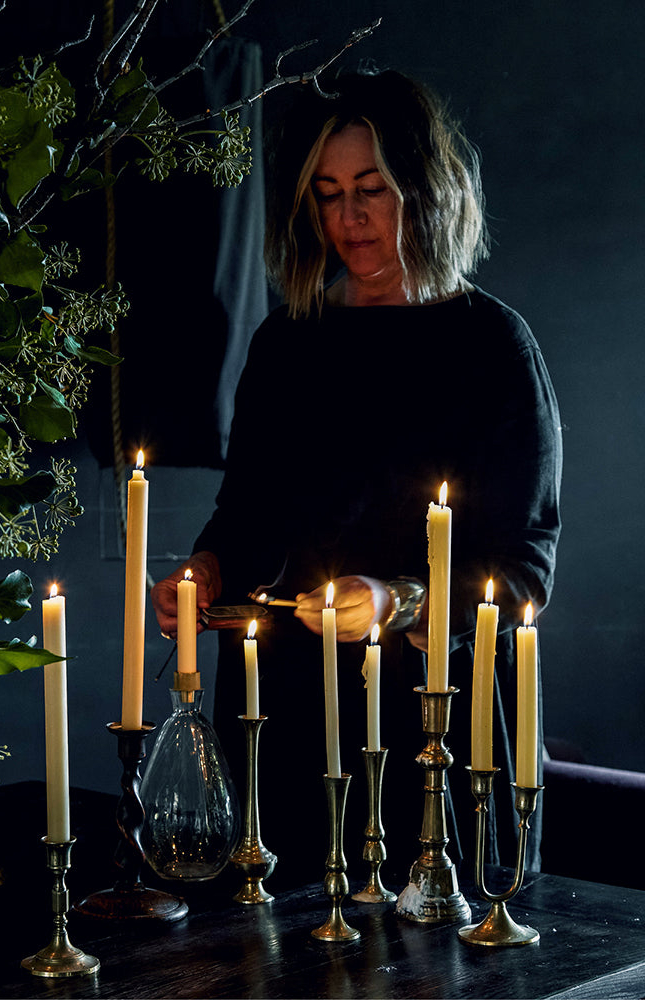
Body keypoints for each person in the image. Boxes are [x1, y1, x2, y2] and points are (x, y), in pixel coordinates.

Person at [151, 69, 562, 891]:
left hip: (437, 719)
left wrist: (397, 600)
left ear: (427, 188)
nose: (349, 219)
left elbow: (523, 568)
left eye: (371, 189)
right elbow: (248, 515)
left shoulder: (494, 349)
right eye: (330, 193)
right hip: (291, 715)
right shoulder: (287, 342)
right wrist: (208, 572)